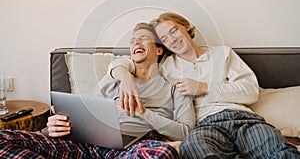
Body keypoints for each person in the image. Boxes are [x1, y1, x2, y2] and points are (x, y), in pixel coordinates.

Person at [108, 13, 300, 158]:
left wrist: (204, 87)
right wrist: (123, 75)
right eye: (165, 39)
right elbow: (129, 62)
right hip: (204, 126)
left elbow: (250, 91)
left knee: (277, 150)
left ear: (186, 27)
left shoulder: (222, 54)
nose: (172, 39)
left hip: (243, 119)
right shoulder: (166, 67)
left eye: (173, 31)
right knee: (194, 149)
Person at [0, 22, 195, 159]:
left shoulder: (175, 86)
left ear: (159, 50)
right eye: (133, 40)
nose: (136, 43)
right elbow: (86, 110)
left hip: (131, 148)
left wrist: (142, 113)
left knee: (162, 154)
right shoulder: (114, 77)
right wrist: (60, 122)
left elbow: (186, 133)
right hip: (85, 143)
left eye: (143, 39)